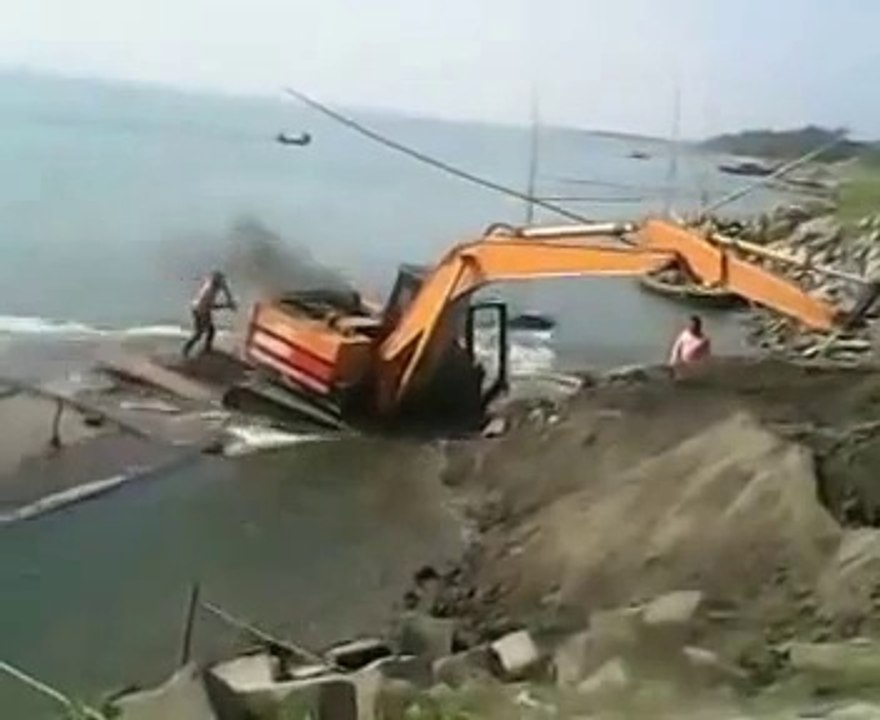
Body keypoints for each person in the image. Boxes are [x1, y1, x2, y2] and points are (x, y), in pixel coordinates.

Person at [182, 270, 237, 358]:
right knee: (201, 333)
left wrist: (229, 298)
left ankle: (201, 350)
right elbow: (212, 306)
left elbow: (224, 287)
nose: (221, 286)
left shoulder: (210, 284)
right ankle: (190, 351)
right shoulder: (209, 292)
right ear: (216, 283)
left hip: (199, 308)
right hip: (201, 310)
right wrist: (227, 305)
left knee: (209, 331)